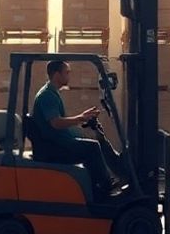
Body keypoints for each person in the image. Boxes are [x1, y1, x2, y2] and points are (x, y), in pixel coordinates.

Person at [30, 60, 118, 196]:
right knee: (93, 148)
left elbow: (58, 123)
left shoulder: (51, 93)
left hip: (57, 142)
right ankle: (104, 187)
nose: (69, 75)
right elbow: (56, 123)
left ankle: (95, 187)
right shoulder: (47, 96)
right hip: (54, 148)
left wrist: (82, 121)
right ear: (57, 75)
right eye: (66, 72)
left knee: (89, 141)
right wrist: (80, 118)